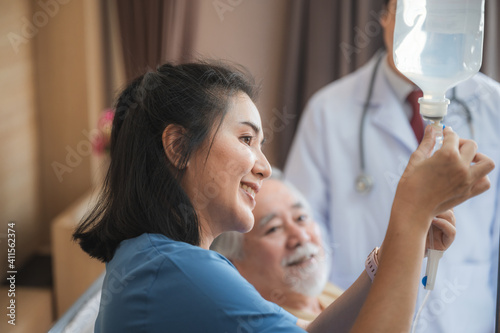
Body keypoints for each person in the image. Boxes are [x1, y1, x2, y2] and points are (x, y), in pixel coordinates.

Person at [73, 61, 493, 333]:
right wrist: (411, 211)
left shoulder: (158, 262)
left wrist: (394, 252)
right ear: (178, 147)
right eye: (245, 139)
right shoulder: (178, 272)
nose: (264, 166)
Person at [285, 0, 500, 332]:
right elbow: (304, 229)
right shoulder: (329, 110)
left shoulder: (493, 105)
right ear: (386, 17)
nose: (431, 23)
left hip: (464, 319)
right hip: (360, 318)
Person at [212, 168, 344, 321]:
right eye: (274, 228)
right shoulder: (268, 325)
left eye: (301, 217)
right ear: (233, 264)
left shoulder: (325, 293)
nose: (301, 236)